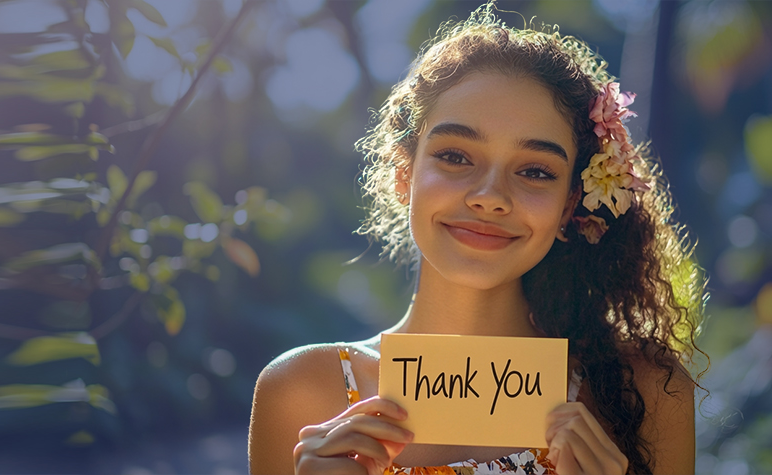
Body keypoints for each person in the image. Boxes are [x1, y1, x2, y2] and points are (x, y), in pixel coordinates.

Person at [248, 4, 704, 474]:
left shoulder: (645, 393)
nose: (490, 197)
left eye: (534, 171)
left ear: (569, 205)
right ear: (405, 173)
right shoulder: (300, 394)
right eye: (455, 157)